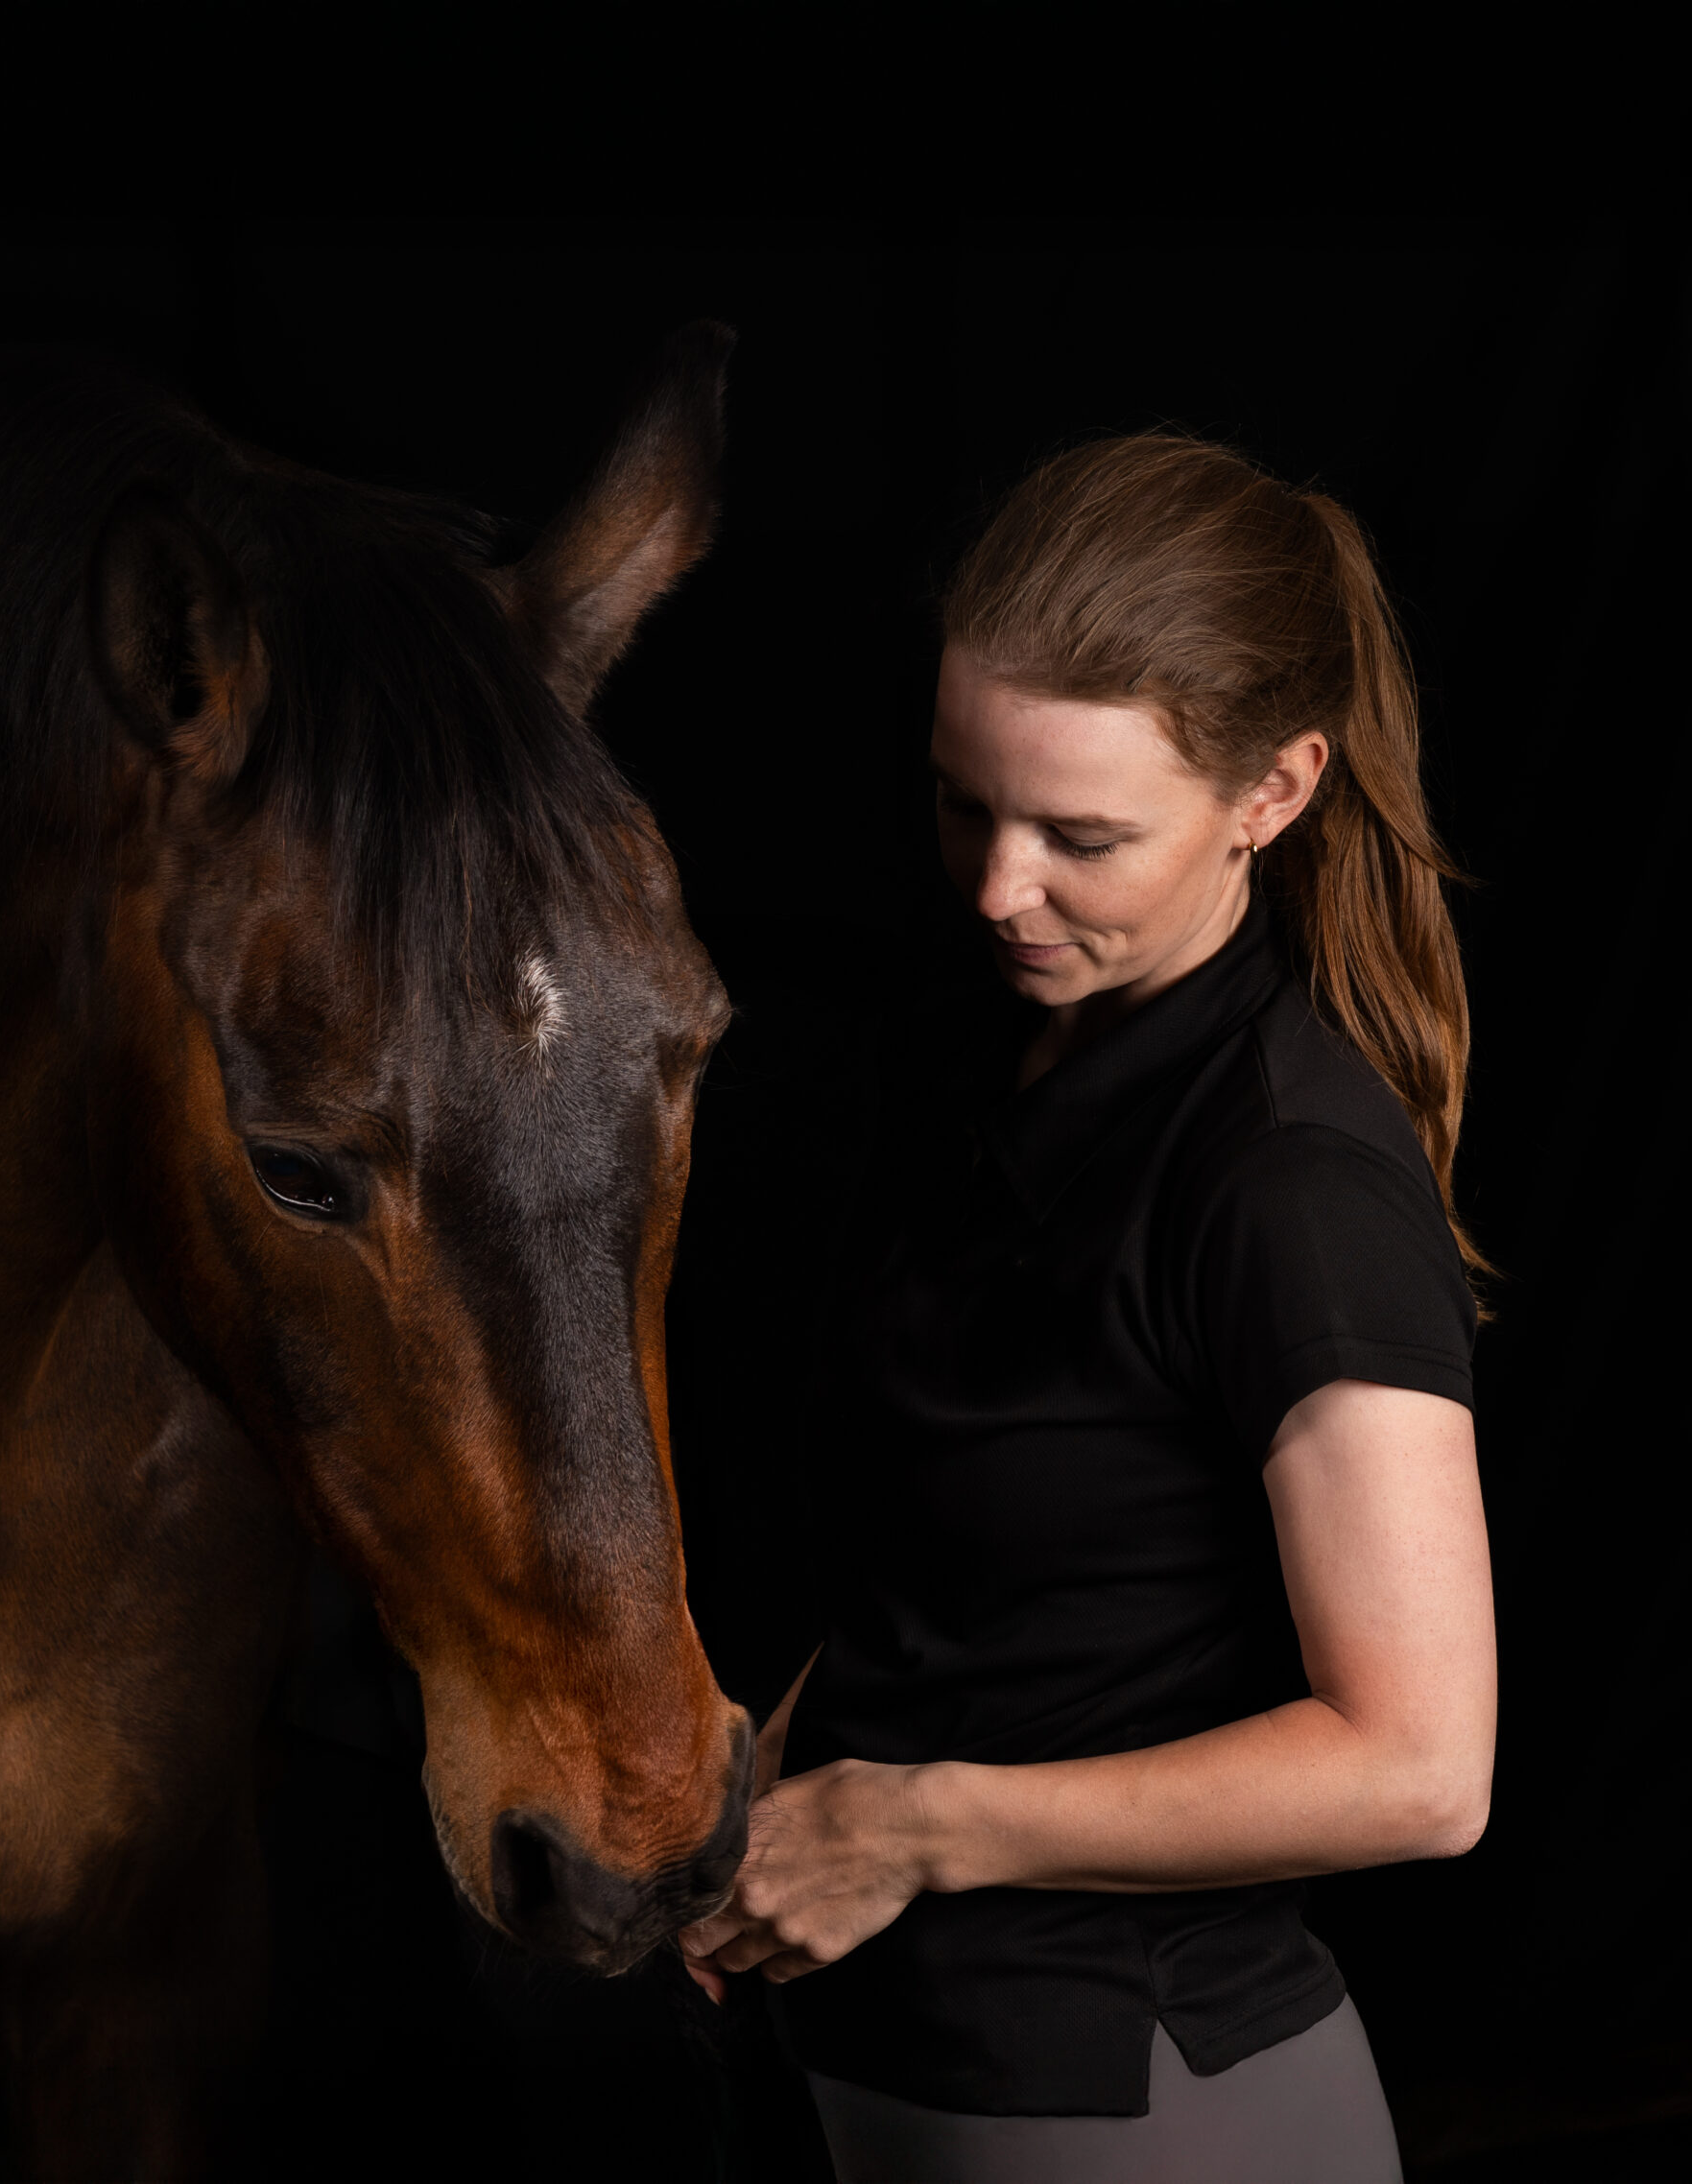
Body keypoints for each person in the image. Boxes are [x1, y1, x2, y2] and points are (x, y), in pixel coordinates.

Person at [680, 436, 1496, 2184]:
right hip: (876, 2074)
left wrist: (906, 1826)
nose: (997, 886)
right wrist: (783, 1790)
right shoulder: (986, 1042)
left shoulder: (1292, 1184)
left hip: (1148, 2105)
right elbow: (1004, 1568)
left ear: (1272, 794)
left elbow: (1421, 1768)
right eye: (965, 803)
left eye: (1083, 837)